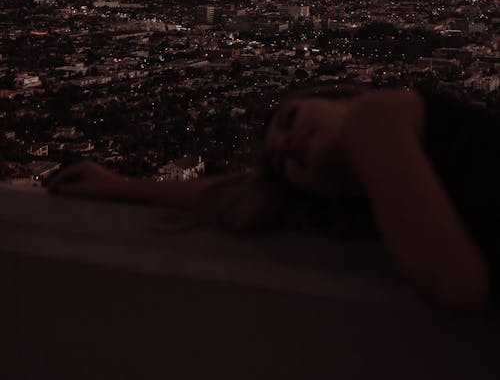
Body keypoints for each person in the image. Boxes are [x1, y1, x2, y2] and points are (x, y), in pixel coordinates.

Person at [49, 85, 499, 311]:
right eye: (281, 164)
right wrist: (116, 187)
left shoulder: (379, 114)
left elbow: (456, 283)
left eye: (291, 117)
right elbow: (226, 191)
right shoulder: (364, 202)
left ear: (337, 99)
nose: (285, 146)